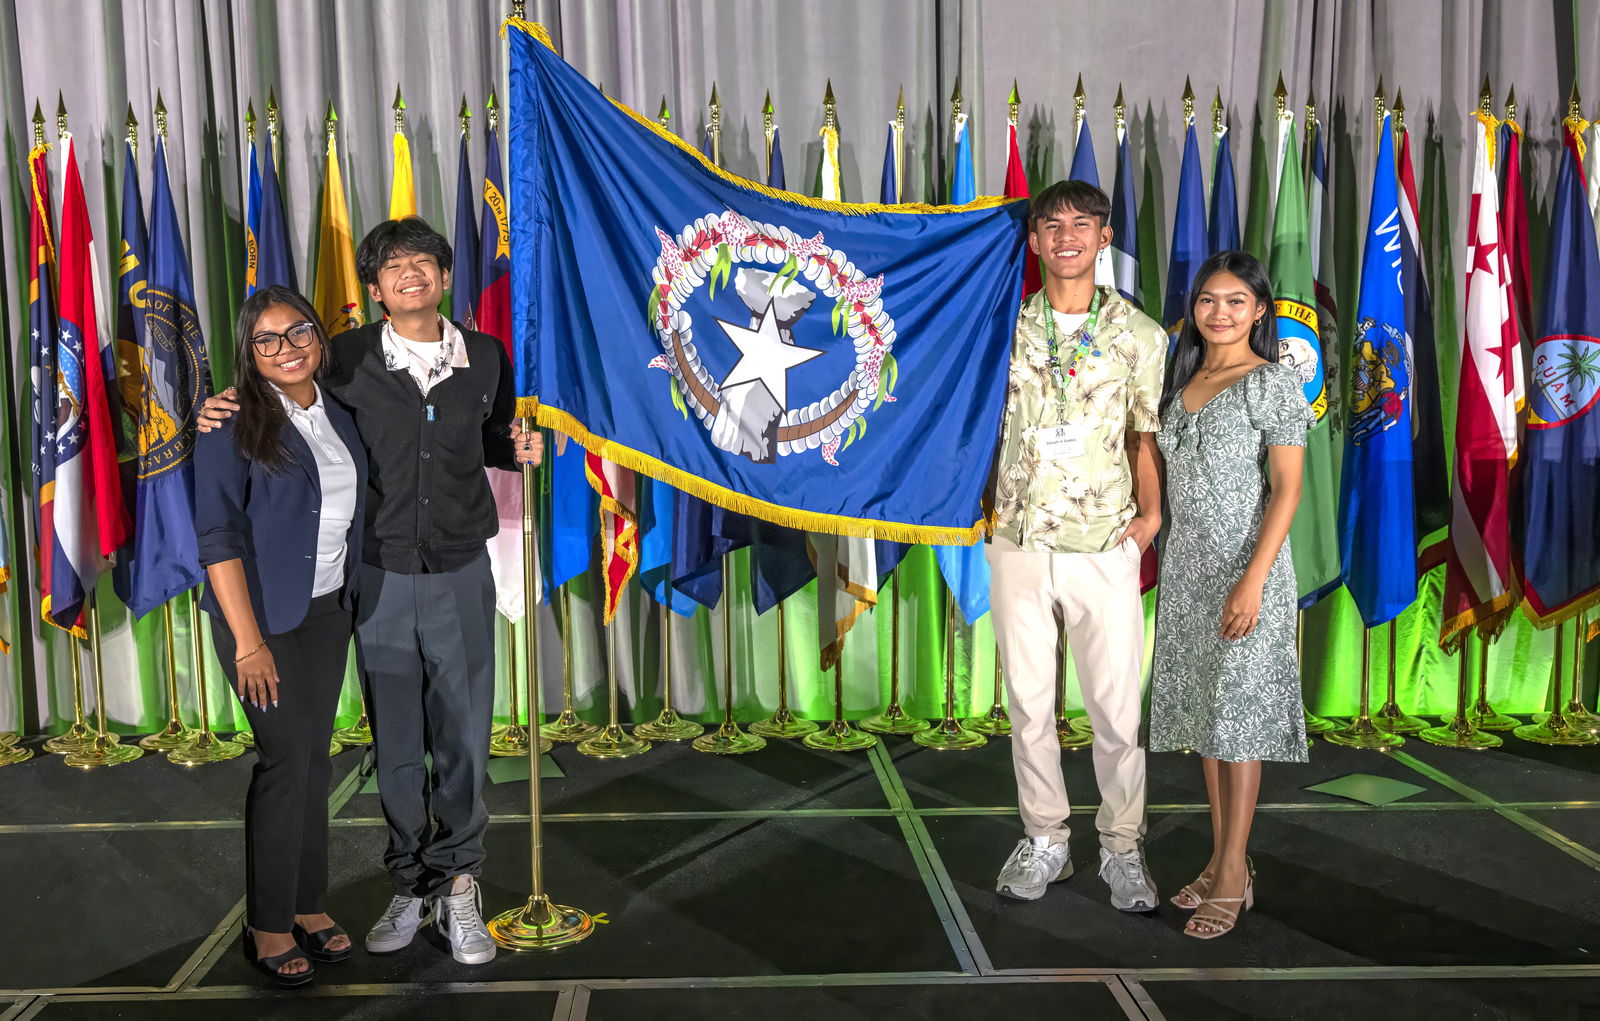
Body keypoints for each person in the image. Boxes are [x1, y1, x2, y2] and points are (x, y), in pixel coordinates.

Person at [198, 218, 544, 965]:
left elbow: (486, 437)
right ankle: (409, 880)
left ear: (445, 277)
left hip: (459, 572)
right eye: (393, 265)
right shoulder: (346, 360)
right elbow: (270, 384)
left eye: (423, 260)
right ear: (376, 289)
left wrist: (517, 446)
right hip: (378, 578)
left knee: (462, 736)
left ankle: (459, 882)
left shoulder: (485, 356)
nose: (409, 272)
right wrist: (218, 403)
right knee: (394, 744)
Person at [988, 180, 1165, 910]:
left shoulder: (1141, 336)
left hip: (1101, 544)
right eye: (1052, 224)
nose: (1066, 236)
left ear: (1104, 236)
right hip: (1019, 540)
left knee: (1116, 712)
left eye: (1081, 224)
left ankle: (1122, 848)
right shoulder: (1000, 327)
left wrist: (1149, 521)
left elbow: (1143, 437)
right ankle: (1047, 839)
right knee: (1030, 706)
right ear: (1033, 240)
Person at [196, 287, 365, 987]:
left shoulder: (340, 409)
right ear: (249, 352)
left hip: (327, 611)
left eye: (297, 331)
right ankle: (266, 924)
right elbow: (218, 536)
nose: (286, 347)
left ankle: (307, 903)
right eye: (266, 340)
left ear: (318, 337)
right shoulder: (228, 423)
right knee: (284, 764)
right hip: (259, 623)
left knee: (315, 762)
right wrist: (248, 642)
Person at [1148, 250, 1310, 940]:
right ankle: (1220, 859)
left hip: (1249, 571)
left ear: (1260, 311)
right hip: (1189, 570)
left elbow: (1288, 489)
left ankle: (1236, 874)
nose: (1219, 313)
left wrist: (1253, 579)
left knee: (1239, 721)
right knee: (1209, 723)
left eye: (1236, 301)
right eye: (1209, 300)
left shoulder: (1270, 383)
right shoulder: (1181, 378)